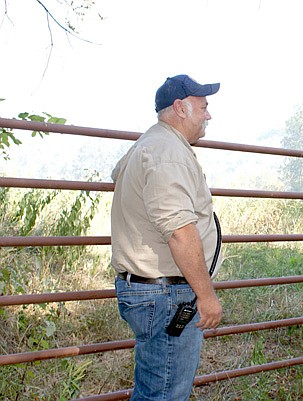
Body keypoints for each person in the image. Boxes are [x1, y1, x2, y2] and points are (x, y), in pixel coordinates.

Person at [110, 74, 223, 401]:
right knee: (165, 394)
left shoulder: (148, 144)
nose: (208, 115)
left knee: (156, 389)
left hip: (154, 291)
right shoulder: (167, 152)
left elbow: (118, 174)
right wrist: (206, 295)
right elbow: (178, 231)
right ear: (180, 108)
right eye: (203, 107)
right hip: (167, 294)